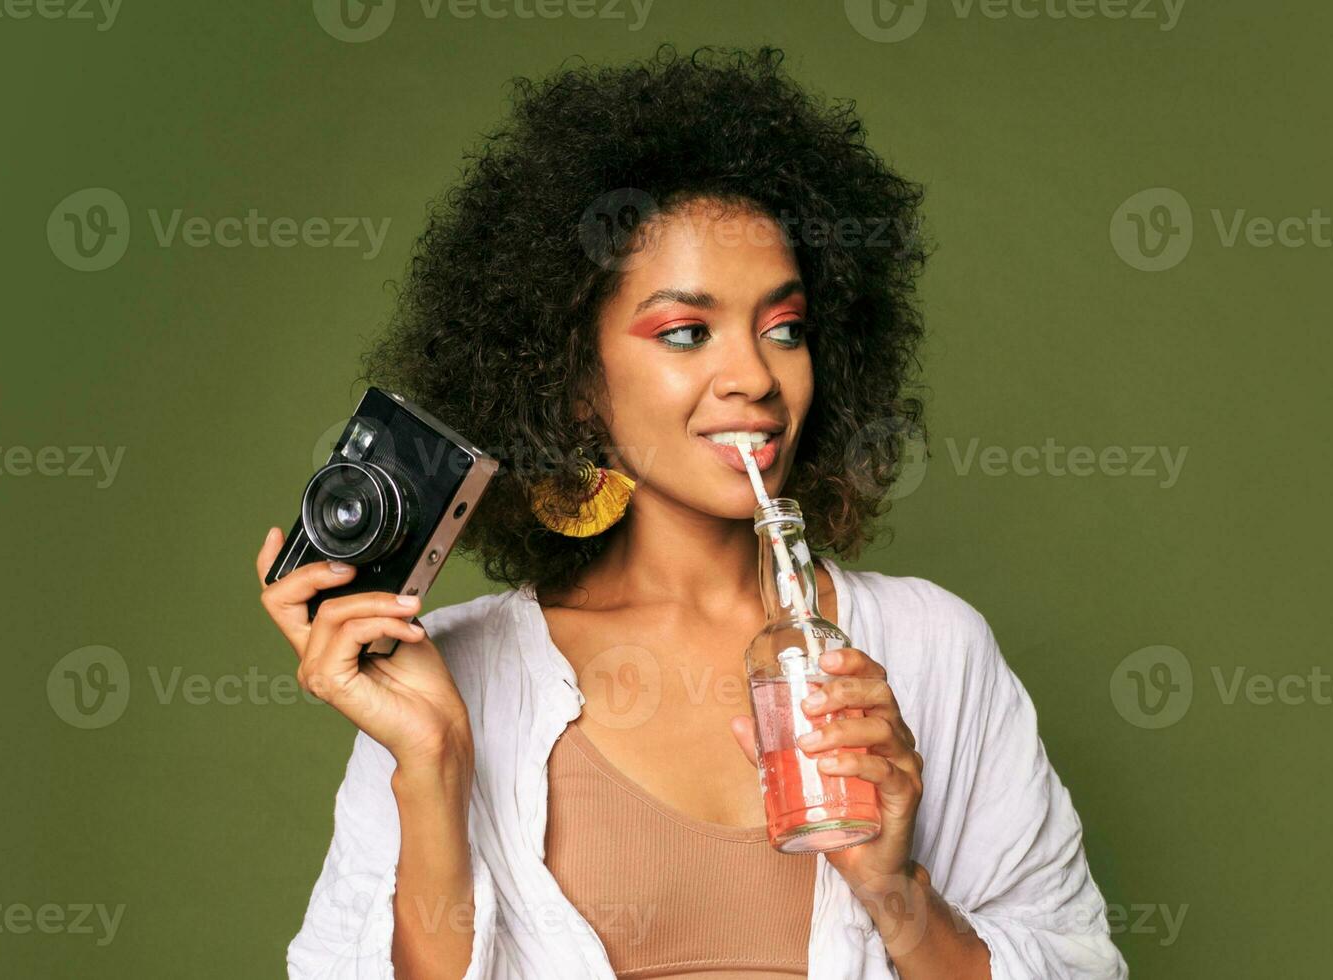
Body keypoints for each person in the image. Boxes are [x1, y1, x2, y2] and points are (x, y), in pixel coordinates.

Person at [257, 44, 1127, 980]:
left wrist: (895, 891)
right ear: (574, 379)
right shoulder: (451, 679)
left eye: (783, 328)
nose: (754, 376)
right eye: (685, 332)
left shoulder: (933, 650)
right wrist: (432, 765)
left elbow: (1080, 967)